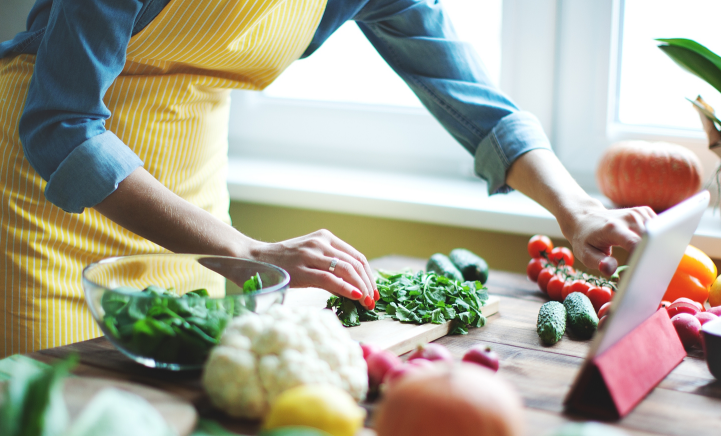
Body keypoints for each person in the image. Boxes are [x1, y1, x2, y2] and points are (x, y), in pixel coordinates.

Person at [0, 0, 655, 357]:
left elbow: (473, 101)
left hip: (191, 201)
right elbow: (61, 125)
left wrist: (577, 210)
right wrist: (246, 250)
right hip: (46, 197)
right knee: (51, 424)